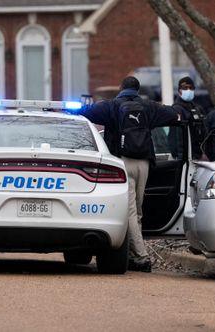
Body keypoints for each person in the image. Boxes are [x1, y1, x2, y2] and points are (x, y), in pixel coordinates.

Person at [82, 76, 180, 273]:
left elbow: (86, 113)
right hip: (144, 164)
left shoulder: (111, 106)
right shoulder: (149, 106)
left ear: (121, 88)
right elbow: (172, 114)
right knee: (137, 210)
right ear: (138, 89)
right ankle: (133, 254)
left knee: (129, 211)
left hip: (121, 163)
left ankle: (142, 257)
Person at [170, 76, 207, 160]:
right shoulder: (176, 109)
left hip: (198, 155)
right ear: (179, 91)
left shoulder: (197, 108)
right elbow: (175, 136)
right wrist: (180, 158)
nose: (188, 90)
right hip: (185, 158)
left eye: (191, 88)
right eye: (185, 88)